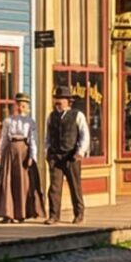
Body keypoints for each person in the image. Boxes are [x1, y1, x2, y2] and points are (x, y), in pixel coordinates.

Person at [0, 96, 42, 223]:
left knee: (22, 182)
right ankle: (7, 213)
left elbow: (33, 140)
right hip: (10, 151)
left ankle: (21, 213)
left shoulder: (30, 122)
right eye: (18, 105)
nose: (20, 108)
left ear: (27, 108)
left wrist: (32, 156)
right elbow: (4, 138)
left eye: (23, 106)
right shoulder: (8, 121)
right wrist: (0, 154)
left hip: (23, 151)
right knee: (8, 181)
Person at [44, 91, 88, 224]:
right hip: (55, 156)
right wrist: (47, 152)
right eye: (56, 99)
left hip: (71, 156)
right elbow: (48, 137)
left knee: (75, 186)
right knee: (54, 187)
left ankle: (79, 214)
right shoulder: (51, 116)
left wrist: (80, 151)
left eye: (61, 99)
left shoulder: (77, 115)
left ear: (68, 101)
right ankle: (54, 215)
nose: (58, 102)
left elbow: (84, 134)